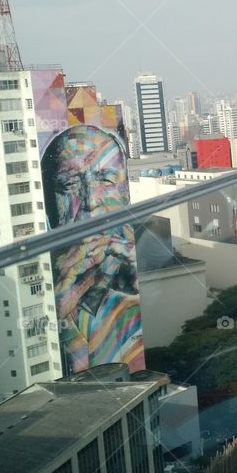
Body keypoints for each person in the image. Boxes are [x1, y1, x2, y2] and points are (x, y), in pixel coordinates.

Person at [41, 124, 144, 373]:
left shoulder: (139, 273)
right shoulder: (48, 290)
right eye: (69, 185)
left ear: (126, 192)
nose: (91, 201)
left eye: (107, 180)